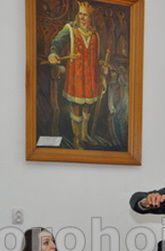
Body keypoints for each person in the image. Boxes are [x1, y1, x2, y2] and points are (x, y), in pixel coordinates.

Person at [48, 1, 103, 149]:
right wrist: (53, 53)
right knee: (76, 106)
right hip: (76, 76)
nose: (82, 17)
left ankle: (84, 135)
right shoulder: (70, 29)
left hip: (91, 77)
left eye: (86, 15)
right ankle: (77, 138)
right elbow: (57, 42)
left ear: (91, 17)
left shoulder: (95, 34)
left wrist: (103, 66)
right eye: (80, 14)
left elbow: (98, 57)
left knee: (88, 106)